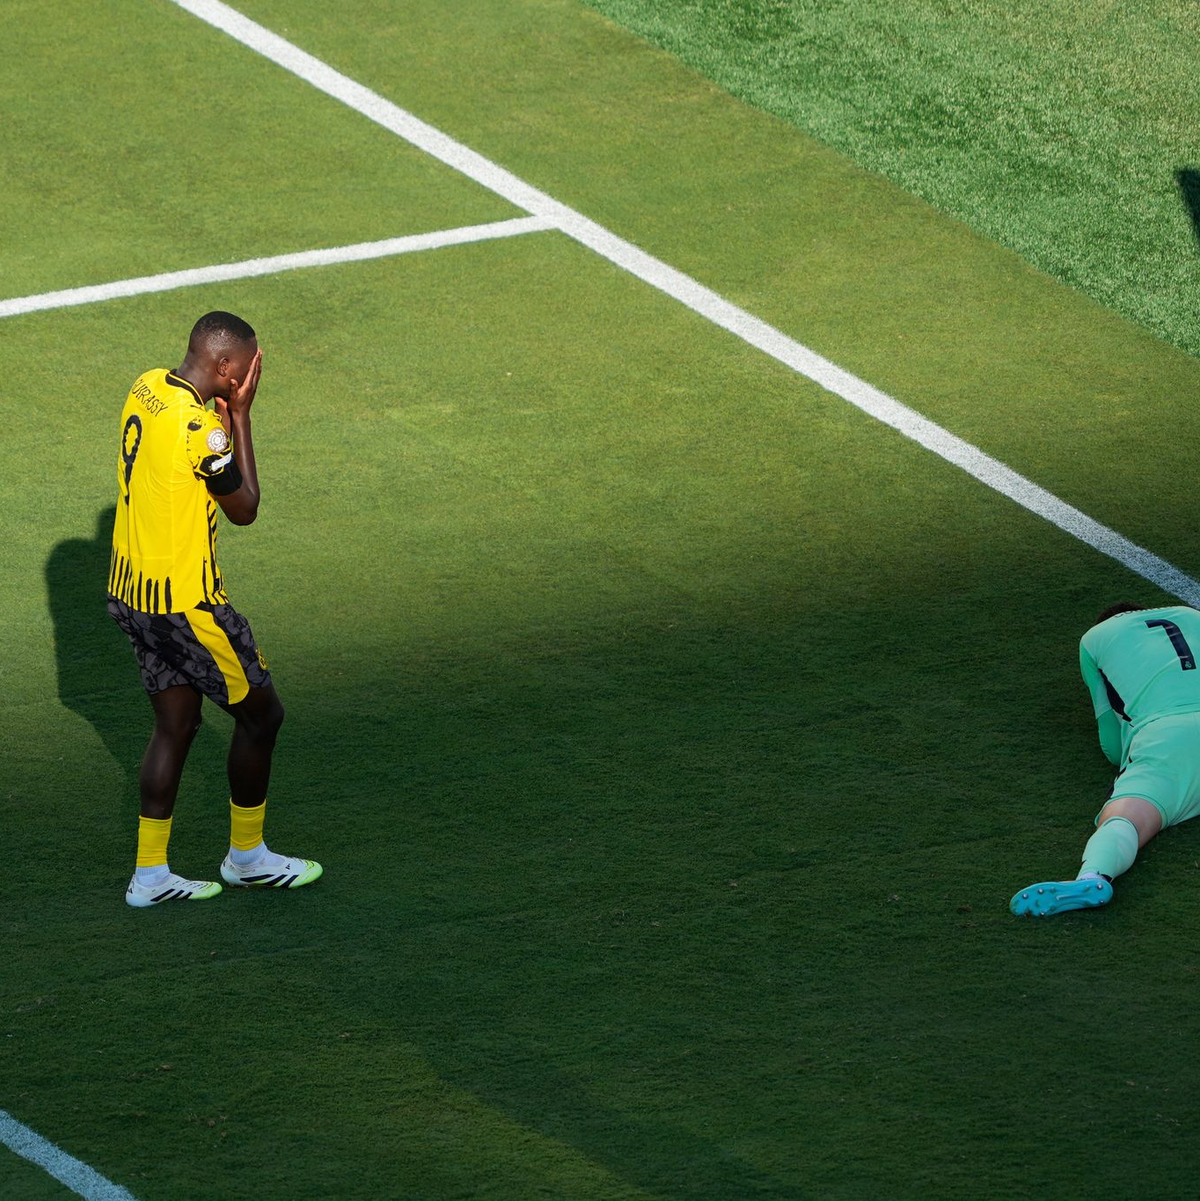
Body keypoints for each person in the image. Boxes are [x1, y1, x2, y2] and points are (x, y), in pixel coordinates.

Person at [108, 311, 321, 907]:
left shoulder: (146, 385)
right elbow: (245, 507)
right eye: (247, 367)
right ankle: (248, 859)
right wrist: (243, 416)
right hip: (187, 605)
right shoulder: (205, 430)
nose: (250, 375)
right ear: (226, 367)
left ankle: (150, 876)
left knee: (175, 725)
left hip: (131, 592)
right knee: (263, 716)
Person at [1011, 601, 1200, 916]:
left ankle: (1093, 875)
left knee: (1127, 818)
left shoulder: (1093, 639)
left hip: (1165, 740)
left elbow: (1112, 746)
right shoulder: (1192, 614)